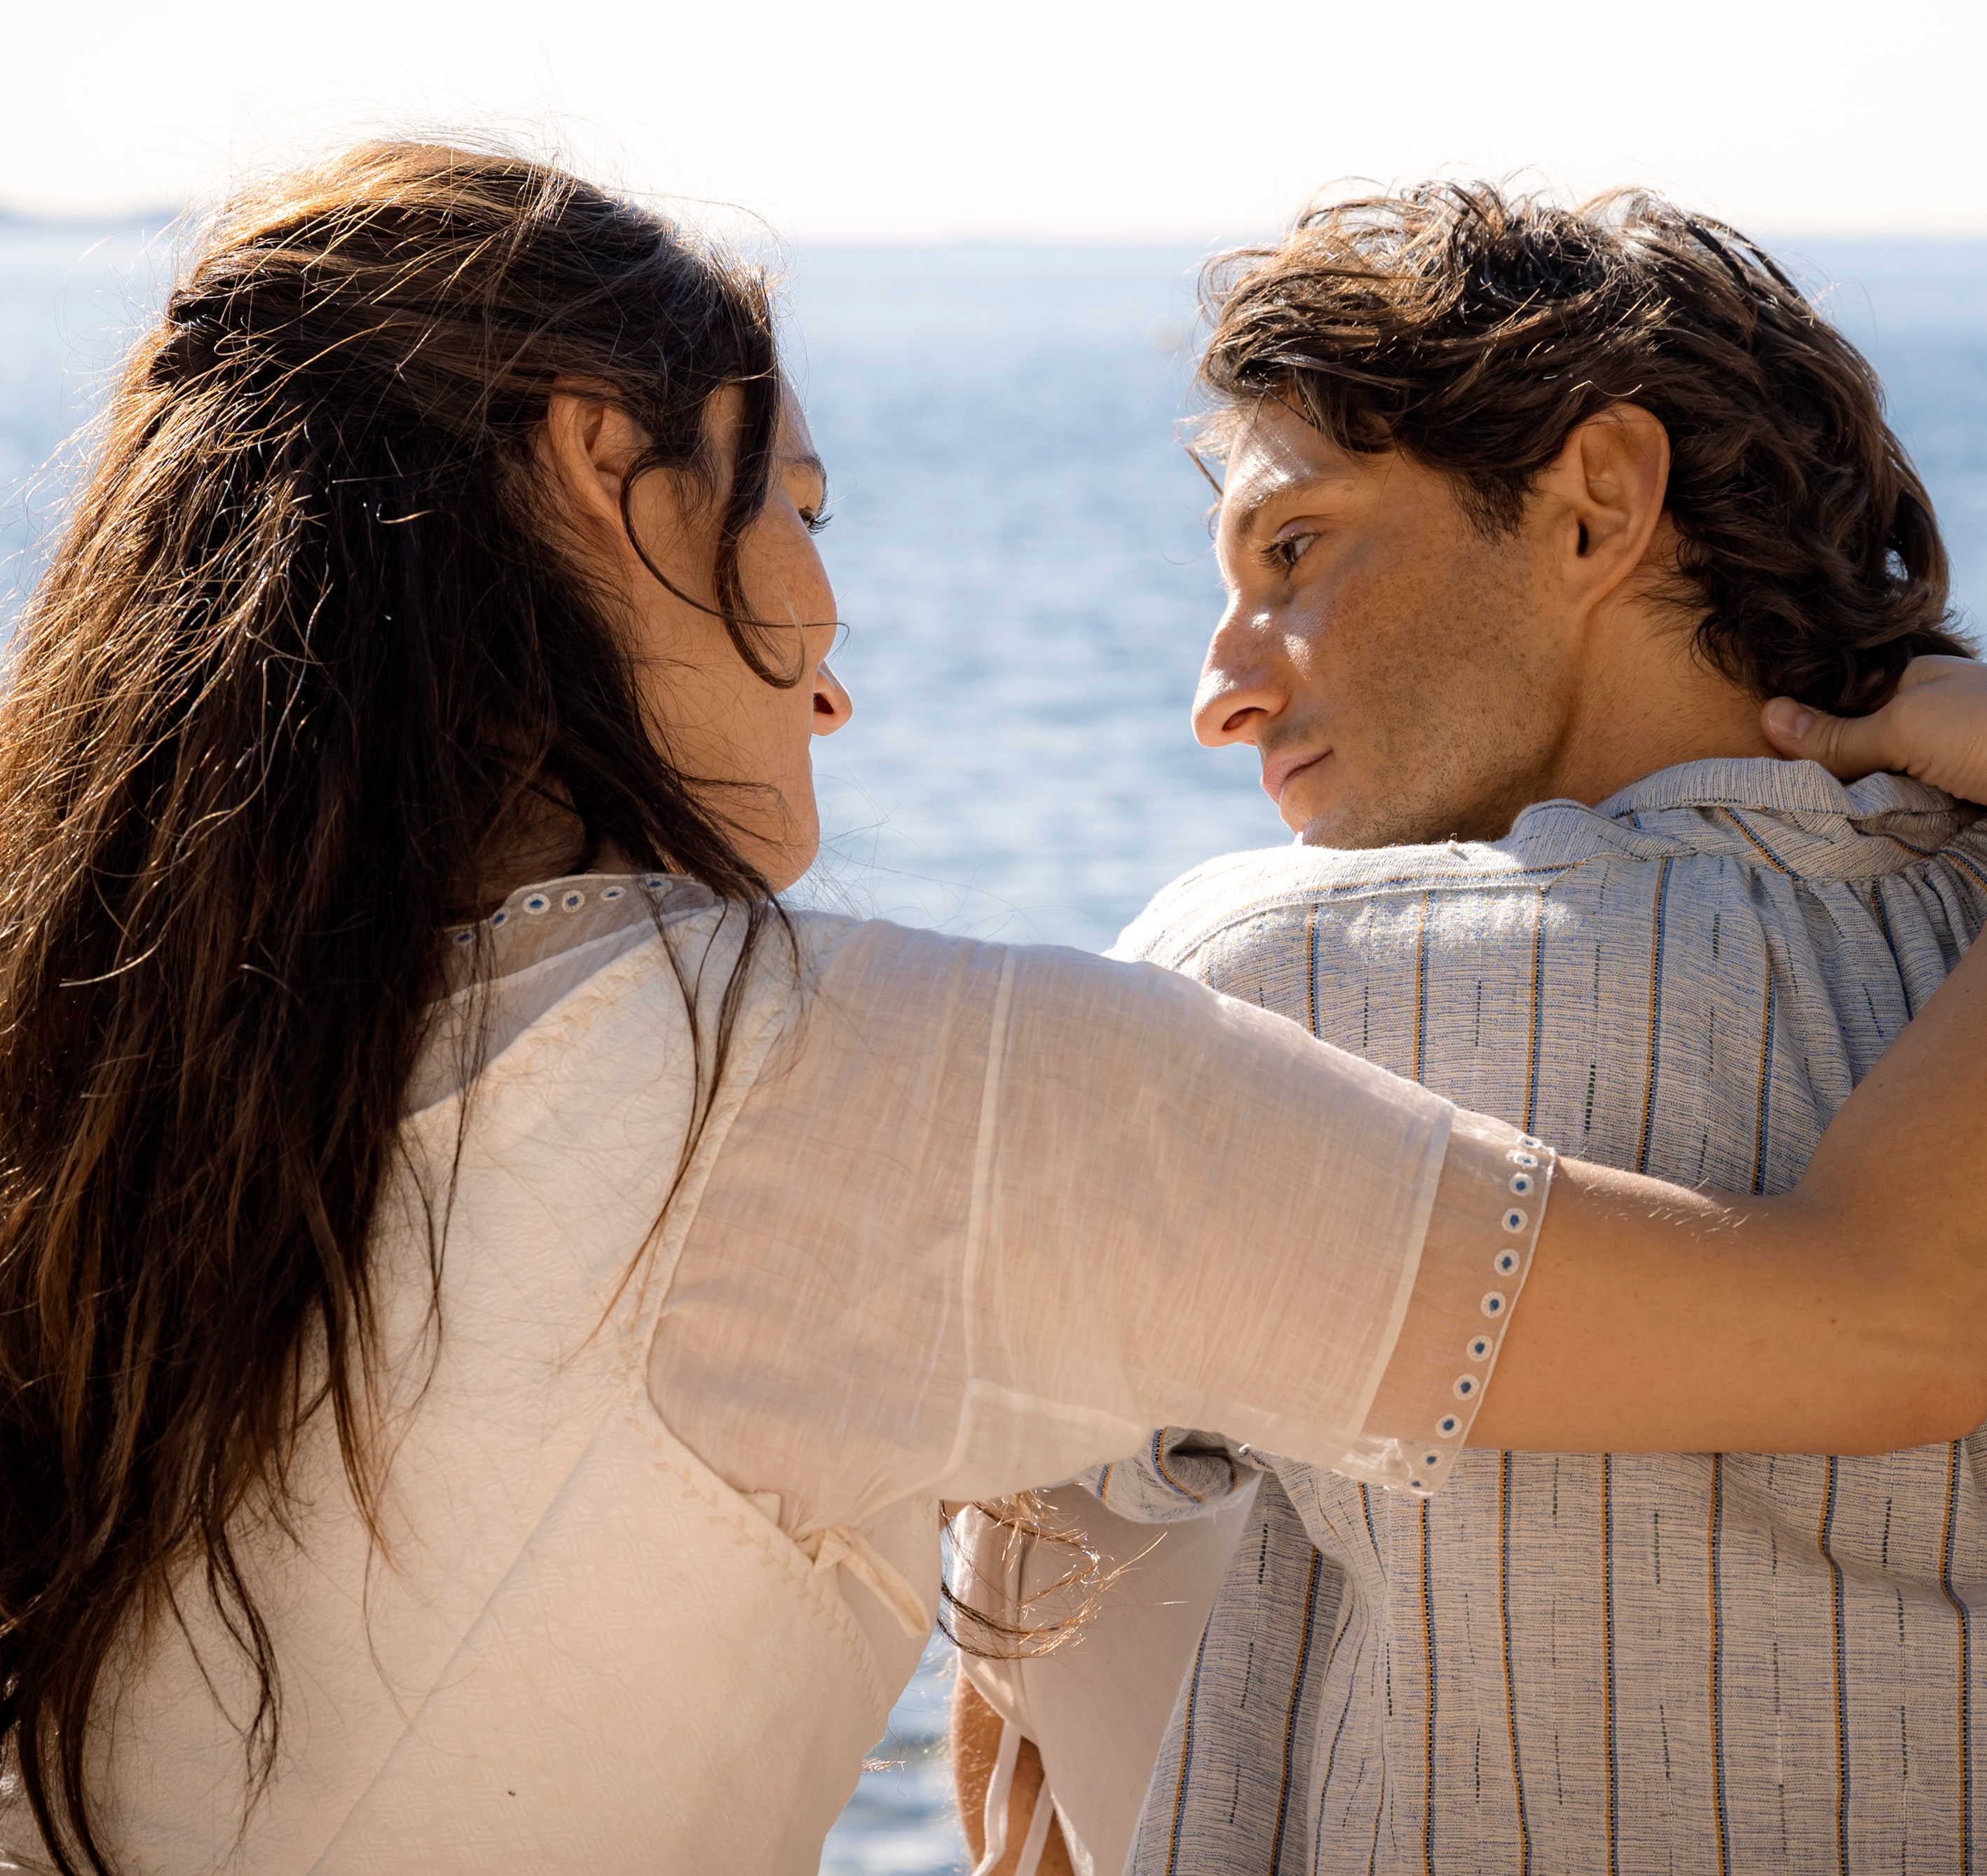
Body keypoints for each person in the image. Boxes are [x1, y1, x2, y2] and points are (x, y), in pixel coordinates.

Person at [0, 145, 1983, 1876]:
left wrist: (1017, 1573)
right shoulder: (884, 1087)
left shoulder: (97, 1078)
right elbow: (1883, 1313)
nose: (834, 652)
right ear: (607, 477)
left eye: (1291, 548)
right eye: (799, 510)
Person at [951, 185, 1987, 1876]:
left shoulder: (1278, 978)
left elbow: (1020, 1640)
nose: (1219, 687)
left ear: (1593, 506)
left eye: (1293, 551)